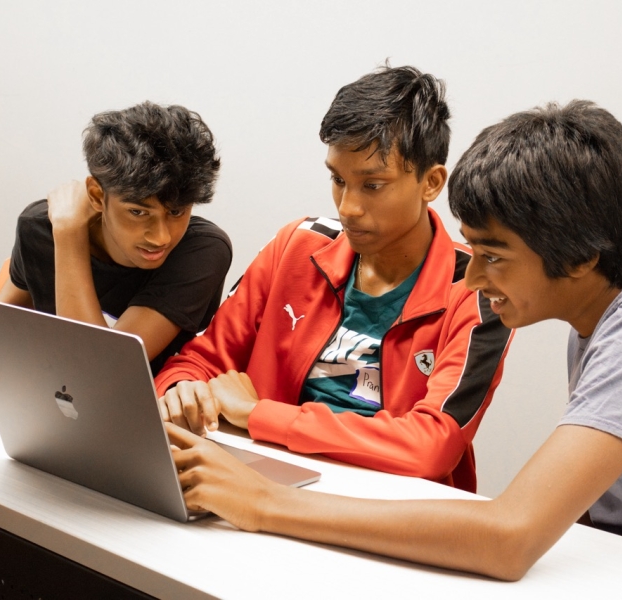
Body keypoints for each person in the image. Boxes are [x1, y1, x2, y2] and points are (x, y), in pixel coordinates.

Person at [165, 100, 622, 580]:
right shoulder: (607, 322)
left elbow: (509, 537)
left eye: (493, 256)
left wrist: (262, 503)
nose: (472, 279)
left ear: (582, 257)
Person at [156, 66, 512, 490]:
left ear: (431, 182)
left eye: (373, 185)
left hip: (391, 510)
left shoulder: (480, 288)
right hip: (263, 483)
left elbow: (430, 448)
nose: (349, 207)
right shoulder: (297, 245)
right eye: (338, 180)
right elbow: (199, 360)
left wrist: (257, 415)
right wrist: (183, 390)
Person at [0, 102, 232, 374]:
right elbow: (6, 335)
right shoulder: (40, 228)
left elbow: (97, 370)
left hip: (157, 412)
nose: (161, 237)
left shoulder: (203, 251)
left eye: (177, 212)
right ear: (98, 196)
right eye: (138, 211)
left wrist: (70, 235)